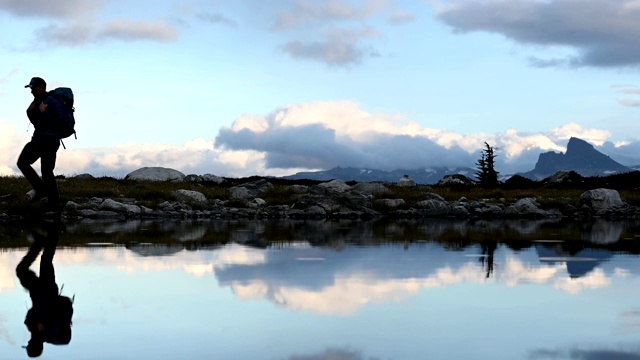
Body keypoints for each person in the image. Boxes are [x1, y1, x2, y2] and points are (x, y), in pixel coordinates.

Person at [16, 224, 74, 357]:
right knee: (40, 263)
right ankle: (49, 234)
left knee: (44, 262)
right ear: (34, 345)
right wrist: (37, 322)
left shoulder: (38, 331)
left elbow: (32, 314)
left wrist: (32, 322)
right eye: (30, 344)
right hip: (45, 291)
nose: (29, 341)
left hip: (40, 292)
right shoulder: (47, 331)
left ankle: (46, 236)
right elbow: (43, 313)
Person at [17, 77, 65, 212]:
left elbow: (59, 121)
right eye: (30, 88)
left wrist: (45, 113)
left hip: (49, 140)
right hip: (40, 139)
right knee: (31, 165)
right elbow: (36, 120)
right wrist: (31, 112)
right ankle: (49, 197)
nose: (31, 91)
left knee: (44, 170)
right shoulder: (37, 101)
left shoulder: (51, 101)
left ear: (41, 88)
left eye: (33, 88)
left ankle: (51, 200)